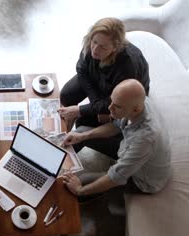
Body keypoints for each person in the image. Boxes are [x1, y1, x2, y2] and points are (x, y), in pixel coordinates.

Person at [60, 79, 171, 207]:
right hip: (130, 147)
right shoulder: (138, 103)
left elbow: (115, 177)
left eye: (116, 106)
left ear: (135, 110)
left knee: (79, 183)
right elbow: (116, 126)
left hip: (143, 179)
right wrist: (83, 136)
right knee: (81, 131)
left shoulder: (145, 139)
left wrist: (80, 190)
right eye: (111, 101)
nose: (109, 107)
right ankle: (56, 162)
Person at [58, 17, 150, 159]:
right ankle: (67, 123)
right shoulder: (93, 43)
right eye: (94, 42)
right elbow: (81, 69)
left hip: (121, 94)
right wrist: (96, 104)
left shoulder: (127, 65)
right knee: (66, 95)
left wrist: (81, 110)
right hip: (99, 82)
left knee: (83, 122)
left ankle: (64, 153)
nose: (95, 49)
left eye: (103, 47)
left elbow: (119, 99)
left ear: (115, 47)